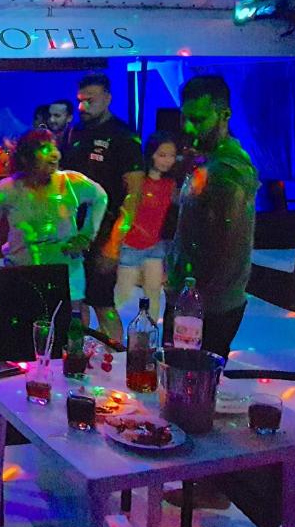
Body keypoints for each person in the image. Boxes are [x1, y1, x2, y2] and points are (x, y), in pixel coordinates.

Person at [166, 75, 259, 357]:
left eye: (198, 119)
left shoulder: (227, 171)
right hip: (195, 296)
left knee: (186, 378)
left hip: (206, 304)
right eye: (185, 117)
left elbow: (225, 245)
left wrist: (192, 297)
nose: (188, 127)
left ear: (225, 115)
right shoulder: (209, 160)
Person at [0, 129, 108, 305]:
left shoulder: (71, 182)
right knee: (25, 320)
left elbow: (100, 197)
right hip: (21, 274)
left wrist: (87, 235)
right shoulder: (7, 189)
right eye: (44, 149)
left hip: (67, 274)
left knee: (66, 320)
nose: (54, 154)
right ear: (26, 158)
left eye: (54, 147)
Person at [59, 74, 144, 342]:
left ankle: (118, 357)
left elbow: (134, 194)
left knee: (102, 301)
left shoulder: (124, 136)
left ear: (107, 99)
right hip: (72, 230)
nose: (82, 107)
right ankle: (79, 354)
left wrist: (114, 244)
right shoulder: (74, 131)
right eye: (80, 100)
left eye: (90, 100)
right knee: (75, 300)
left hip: (104, 231)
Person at [114, 133, 179, 316]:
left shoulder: (171, 184)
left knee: (153, 294)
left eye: (172, 156)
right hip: (130, 245)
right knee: (122, 295)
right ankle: (111, 331)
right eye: (162, 155)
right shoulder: (137, 181)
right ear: (151, 154)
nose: (167, 160)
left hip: (155, 246)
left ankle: (150, 330)